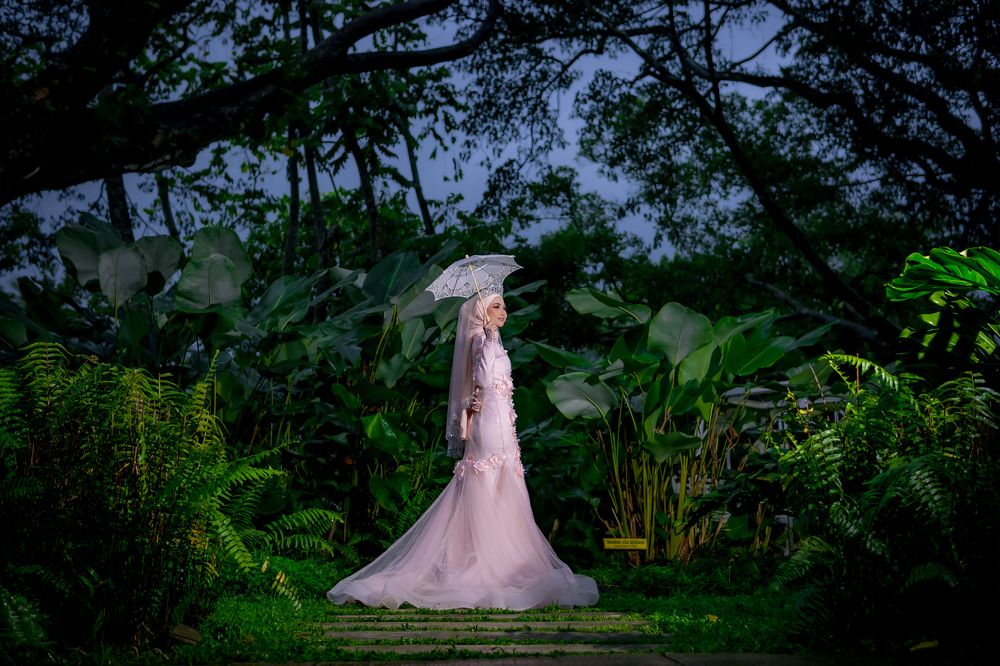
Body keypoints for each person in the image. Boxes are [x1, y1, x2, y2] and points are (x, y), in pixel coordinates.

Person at [327, 291, 599, 610]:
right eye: (496, 307)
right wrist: (486, 341)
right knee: (488, 479)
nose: (504, 312)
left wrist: (493, 341)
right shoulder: (479, 341)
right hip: (487, 424)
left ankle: (510, 558)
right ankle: (485, 560)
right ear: (483, 313)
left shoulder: (494, 341)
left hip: (504, 421)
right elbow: (482, 379)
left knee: (508, 479)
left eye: (504, 306)